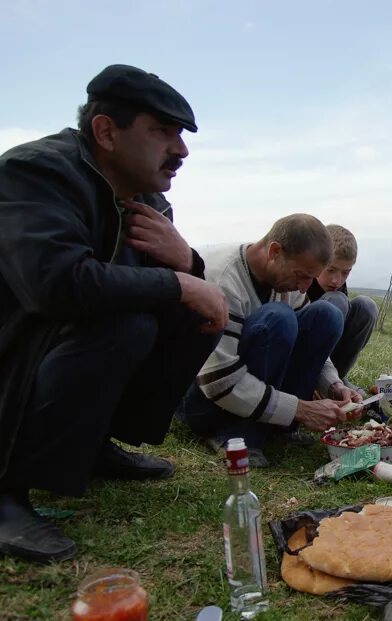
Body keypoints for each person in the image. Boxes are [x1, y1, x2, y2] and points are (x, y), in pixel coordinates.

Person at [0, 64, 227, 563]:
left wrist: (187, 263)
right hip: (14, 347)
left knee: (187, 317)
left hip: (60, 339)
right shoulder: (36, 172)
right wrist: (182, 281)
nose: (181, 150)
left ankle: (91, 444)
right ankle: (7, 488)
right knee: (126, 322)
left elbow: (161, 285)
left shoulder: (147, 200)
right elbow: (55, 285)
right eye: (162, 132)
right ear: (106, 131)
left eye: (181, 136)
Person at [179, 214, 362, 467]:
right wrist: (302, 409)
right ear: (274, 251)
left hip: (246, 393)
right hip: (205, 401)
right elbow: (216, 382)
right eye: (301, 276)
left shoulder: (284, 280)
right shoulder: (223, 278)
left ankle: (278, 428)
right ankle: (233, 434)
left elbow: (311, 342)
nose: (302, 288)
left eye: (311, 278)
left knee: (326, 315)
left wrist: (334, 385)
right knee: (279, 318)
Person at [305, 224, 378, 395]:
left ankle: (337, 379)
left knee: (366, 306)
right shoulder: (302, 280)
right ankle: (314, 384)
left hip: (330, 365)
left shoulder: (337, 285)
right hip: (303, 360)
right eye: (330, 270)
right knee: (337, 301)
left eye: (345, 273)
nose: (337, 280)